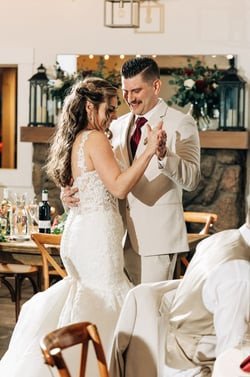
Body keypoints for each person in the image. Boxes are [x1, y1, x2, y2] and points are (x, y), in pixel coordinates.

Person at [0, 77, 163, 377]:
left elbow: (86, 186)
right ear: (90, 106)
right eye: (109, 109)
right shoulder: (95, 138)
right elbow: (119, 188)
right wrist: (149, 150)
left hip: (82, 234)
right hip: (96, 240)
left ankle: (74, 366)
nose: (114, 115)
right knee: (104, 300)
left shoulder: (78, 139)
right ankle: (94, 368)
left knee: (86, 298)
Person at [62, 56, 201, 285]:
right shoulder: (115, 124)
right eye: (125, 91)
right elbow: (96, 173)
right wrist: (69, 195)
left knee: (151, 311)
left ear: (156, 86)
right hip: (115, 239)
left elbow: (192, 179)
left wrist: (164, 155)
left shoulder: (180, 123)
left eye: (136, 91)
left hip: (157, 239)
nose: (129, 98)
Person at [109, 200, 250, 377]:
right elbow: (233, 359)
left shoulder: (224, 239)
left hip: (177, 354)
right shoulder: (239, 276)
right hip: (198, 368)